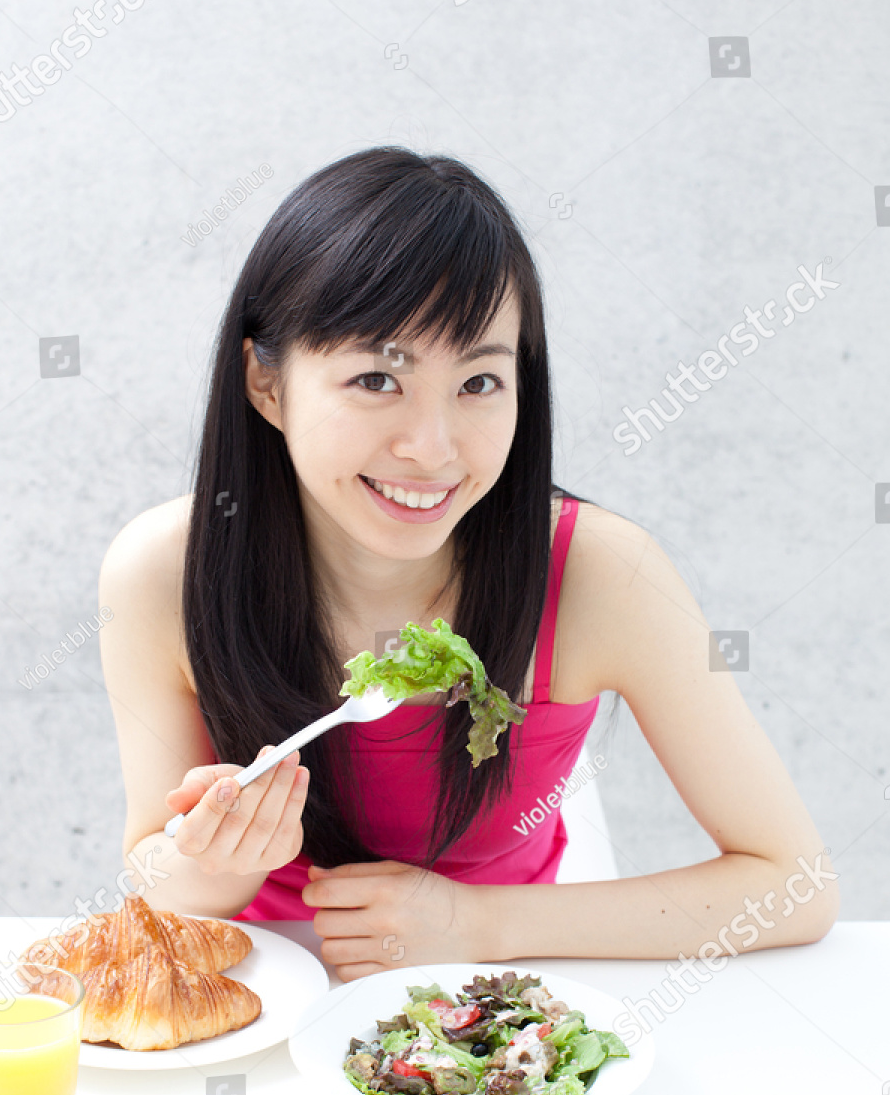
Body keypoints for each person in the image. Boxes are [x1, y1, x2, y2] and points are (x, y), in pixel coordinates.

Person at [98, 147, 838, 979]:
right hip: (263, 998)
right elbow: (152, 880)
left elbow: (794, 886)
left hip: (500, 1007)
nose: (433, 448)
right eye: (377, 378)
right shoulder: (164, 572)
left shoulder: (601, 574)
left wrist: (479, 923)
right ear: (266, 385)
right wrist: (213, 864)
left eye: (479, 384)